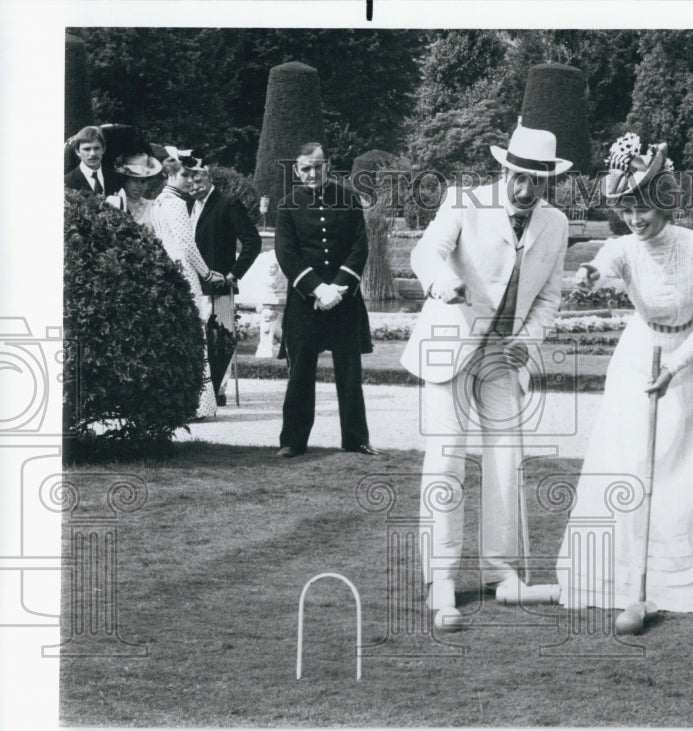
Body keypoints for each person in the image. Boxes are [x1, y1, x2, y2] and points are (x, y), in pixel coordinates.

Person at [556, 134, 693, 619]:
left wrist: (674, 367)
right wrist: (589, 273)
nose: (634, 220)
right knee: (629, 463)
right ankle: (619, 579)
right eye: (626, 211)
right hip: (640, 357)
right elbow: (604, 260)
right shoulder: (623, 247)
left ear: (663, 202)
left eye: (641, 210)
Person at [399, 123, 571, 630]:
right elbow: (424, 251)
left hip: (502, 356)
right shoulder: (464, 201)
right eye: (519, 178)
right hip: (448, 345)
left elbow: (549, 298)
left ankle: (503, 572)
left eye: (536, 182)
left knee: (506, 461)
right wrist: (441, 281)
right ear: (505, 169)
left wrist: (528, 340)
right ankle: (441, 577)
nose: (525, 191)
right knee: (447, 456)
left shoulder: (555, 224)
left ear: (547, 181)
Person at [274, 142, 376, 458]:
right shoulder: (287, 206)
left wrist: (338, 287)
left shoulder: (348, 199)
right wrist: (318, 289)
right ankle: (293, 441)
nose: (312, 173)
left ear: (327, 166)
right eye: (305, 168)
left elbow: (360, 246)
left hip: (344, 301)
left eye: (317, 167)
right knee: (300, 373)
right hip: (306, 303)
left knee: (349, 374)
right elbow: (286, 254)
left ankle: (356, 440)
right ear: (296, 170)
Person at [150, 147, 225, 420]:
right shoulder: (176, 203)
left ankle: (178, 402)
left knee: (179, 336)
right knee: (194, 335)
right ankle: (196, 405)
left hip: (170, 273)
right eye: (185, 175)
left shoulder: (160, 201)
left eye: (192, 176)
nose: (190, 181)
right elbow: (187, 245)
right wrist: (207, 273)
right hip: (184, 275)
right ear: (172, 175)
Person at [189, 162, 262, 404]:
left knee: (220, 340)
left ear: (209, 179)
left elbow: (252, 241)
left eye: (198, 180)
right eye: (189, 180)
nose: (193, 185)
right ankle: (198, 390)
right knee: (196, 339)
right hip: (192, 284)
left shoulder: (228, 204)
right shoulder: (187, 206)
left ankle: (217, 392)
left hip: (219, 286)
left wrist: (233, 274)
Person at [105, 151, 161, 231]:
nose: (139, 186)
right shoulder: (115, 202)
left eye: (143, 181)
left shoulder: (153, 206)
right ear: (125, 181)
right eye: (134, 181)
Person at [64, 125, 123, 196]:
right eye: (87, 149)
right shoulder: (67, 182)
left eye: (96, 148)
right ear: (77, 151)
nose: (92, 154)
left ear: (103, 149)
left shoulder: (116, 178)